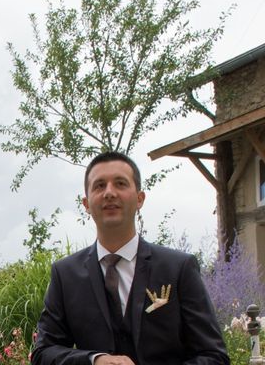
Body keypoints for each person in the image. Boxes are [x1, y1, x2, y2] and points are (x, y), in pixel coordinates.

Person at [31, 151, 229, 365]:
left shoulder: (178, 268)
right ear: (86, 204)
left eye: (120, 183)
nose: (109, 193)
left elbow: (214, 356)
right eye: (99, 186)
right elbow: (43, 353)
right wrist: (94, 360)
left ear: (139, 199)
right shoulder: (65, 274)